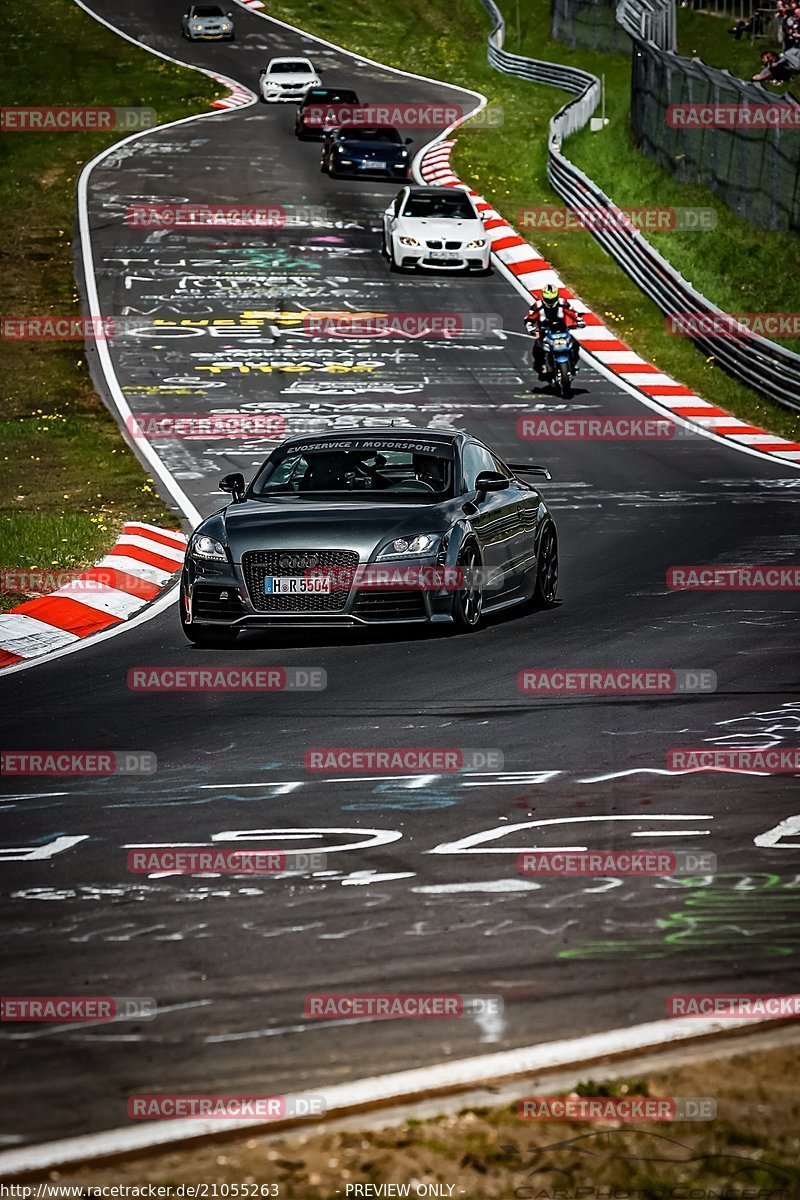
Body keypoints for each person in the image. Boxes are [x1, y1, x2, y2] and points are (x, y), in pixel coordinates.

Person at [524, 280, 585, 379]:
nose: (551, 302)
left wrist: (579, 321)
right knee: (537, 347)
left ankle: (573, 364)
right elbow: (528, 318)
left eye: (553, 299)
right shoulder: (538, 306)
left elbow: (572, 312)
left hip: (562, 330)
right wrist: (531, 328)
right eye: (548, 299)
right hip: (545, 331)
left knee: (575, 345)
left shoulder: (562, 302)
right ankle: (540, 365)